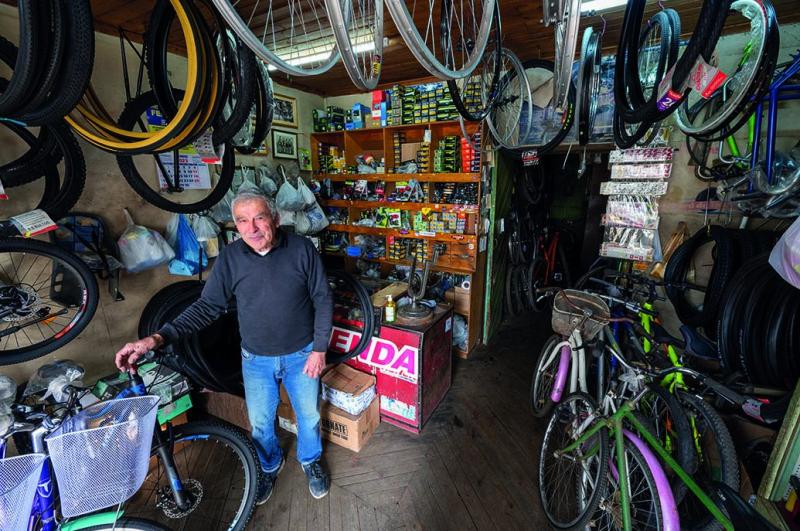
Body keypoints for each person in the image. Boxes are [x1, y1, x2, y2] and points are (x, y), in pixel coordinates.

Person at [114, 190, 333, 504]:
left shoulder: (301, 249)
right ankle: (270, 465)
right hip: (256, 359)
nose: (252, 228)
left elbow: (323, 299)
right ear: (236, 225)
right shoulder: (231, 258)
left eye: (259, 218)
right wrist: (157, 338)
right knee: (259, 422)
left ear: (275, 218)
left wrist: (319, 348)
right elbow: (207, 307)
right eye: (243, 221)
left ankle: (311, 461)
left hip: (302, 354)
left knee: (308, 416)